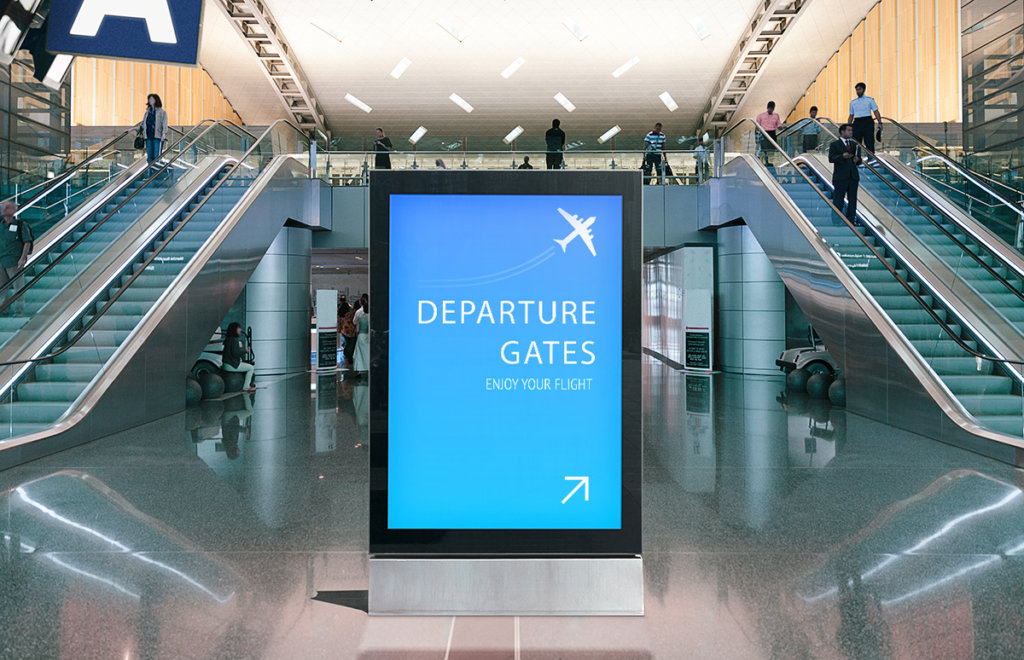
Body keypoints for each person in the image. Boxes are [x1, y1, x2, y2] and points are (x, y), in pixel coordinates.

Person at [828, 123, 862, 225]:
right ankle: (836, 221)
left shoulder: (854, 145)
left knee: (852, 200)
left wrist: (858, 160)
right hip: (840, 177)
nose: (851, 132)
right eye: (849, 130)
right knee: (838, 199)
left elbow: (859, 161)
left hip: (853, 176)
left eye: (851, 130)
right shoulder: (835, 144)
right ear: (842, 132)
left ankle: (851, 220)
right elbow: (831, 158)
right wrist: (842, 156)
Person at [0, 201, 31, 309]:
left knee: (18, 288)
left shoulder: (20, 225)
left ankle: (19, 311)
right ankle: (3, 309)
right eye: (3, 207)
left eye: (7, 207)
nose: (4, 209)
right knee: (2, 288)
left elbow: (27, 242)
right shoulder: (0, 225)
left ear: (14, 211)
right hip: (1, 261)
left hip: (14, 261)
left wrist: (23, 258)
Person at [847, 82, 882, 155]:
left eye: (859, 89)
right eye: (856, 90)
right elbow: (851, 115)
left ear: (864, 90)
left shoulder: (870, 100)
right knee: (856, 142)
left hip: (867, 121)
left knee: (869, 141)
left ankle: (871, 159)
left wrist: (880, 122)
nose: (858, 91)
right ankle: (856, 159)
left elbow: (876, 111)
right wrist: (848, 126)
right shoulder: (853, 102)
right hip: (857, 122)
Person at [221, 322, 256, 391]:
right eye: (239, 328)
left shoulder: (228, 339)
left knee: (246, 366)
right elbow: (235, 353)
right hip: (231, 366)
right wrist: (245, 351)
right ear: (235, 329)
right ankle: (246, 386)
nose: (240, 330)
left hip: (225, 364)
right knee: (251, 368)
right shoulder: (234, 340)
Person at [136, 93, 168, 165]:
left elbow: (164, 123)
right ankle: (150, 172)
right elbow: (143, 124)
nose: (150, 101)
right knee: (149, 156)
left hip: (157, 136)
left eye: (151, 99)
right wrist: (133, 129)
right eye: (149, 99)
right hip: (148, 136)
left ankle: (156, 172)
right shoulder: (147, 112)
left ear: (156, 100)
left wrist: (164, 134)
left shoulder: (162, 112)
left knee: (157, 155)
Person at [755, 101, 783, 165]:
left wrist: (783, 128)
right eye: (769, 108)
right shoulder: (761, 116)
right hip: (764, 133)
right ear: (767, 108)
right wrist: (756, 137)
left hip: (772, 133)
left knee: (771, 149)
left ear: (774, 108)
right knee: (764, 149)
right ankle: (764, 161)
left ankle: (770, 161)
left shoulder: (776, 115)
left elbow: (779, 126)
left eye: (772, 108)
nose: (770, 109)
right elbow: (757, 127)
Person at [353, 296, 370, 376]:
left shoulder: (358, 312)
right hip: (369, 336)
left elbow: (354, 322)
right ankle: (369, 367)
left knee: (359, 354)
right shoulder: (371, 313)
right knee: (368, 353)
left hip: (361, 335)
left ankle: (359, 370)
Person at [341, 299, 359, 369]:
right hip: (351, 330)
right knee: (351, 344)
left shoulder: (341, 313)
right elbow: (354, 321)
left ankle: (347, 355)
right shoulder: (351, 313)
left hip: (344, 330)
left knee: (347, 344)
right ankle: (349, 357)